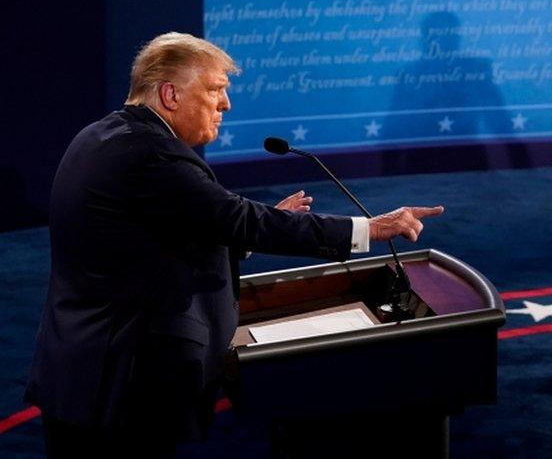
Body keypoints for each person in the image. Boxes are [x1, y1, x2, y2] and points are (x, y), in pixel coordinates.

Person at [24, 32, 444, 456]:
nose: (226, 105)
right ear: (170, 94)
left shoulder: (102, 135)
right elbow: (239, 217)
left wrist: (243, 233)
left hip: (85, 374)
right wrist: (367, 229)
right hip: (121, 387)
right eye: (215, 91)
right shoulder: (153, 155)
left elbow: (154, 239)